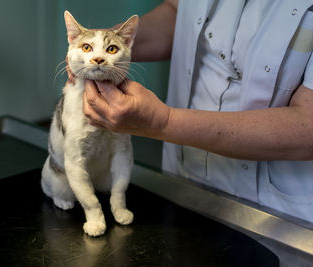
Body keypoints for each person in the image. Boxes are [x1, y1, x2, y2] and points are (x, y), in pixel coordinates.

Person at [83, 0, 313, 223]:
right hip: (184, 178)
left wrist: (164, 123)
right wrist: (105, 45)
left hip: (280, 214)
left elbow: (308, 124)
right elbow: (176, 11)